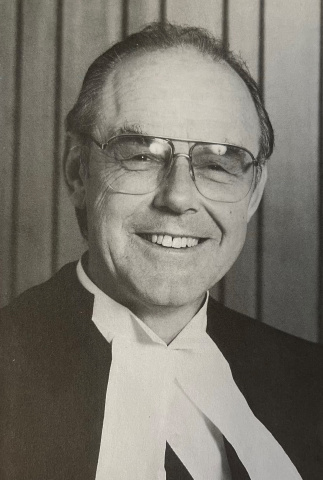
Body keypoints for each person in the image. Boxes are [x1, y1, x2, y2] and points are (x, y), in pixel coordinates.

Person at [1, 22, 322, 480]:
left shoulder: (311, 382)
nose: (178, 197)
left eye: (217, 164)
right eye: (141, 155)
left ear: (252, 194)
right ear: (78, 172)